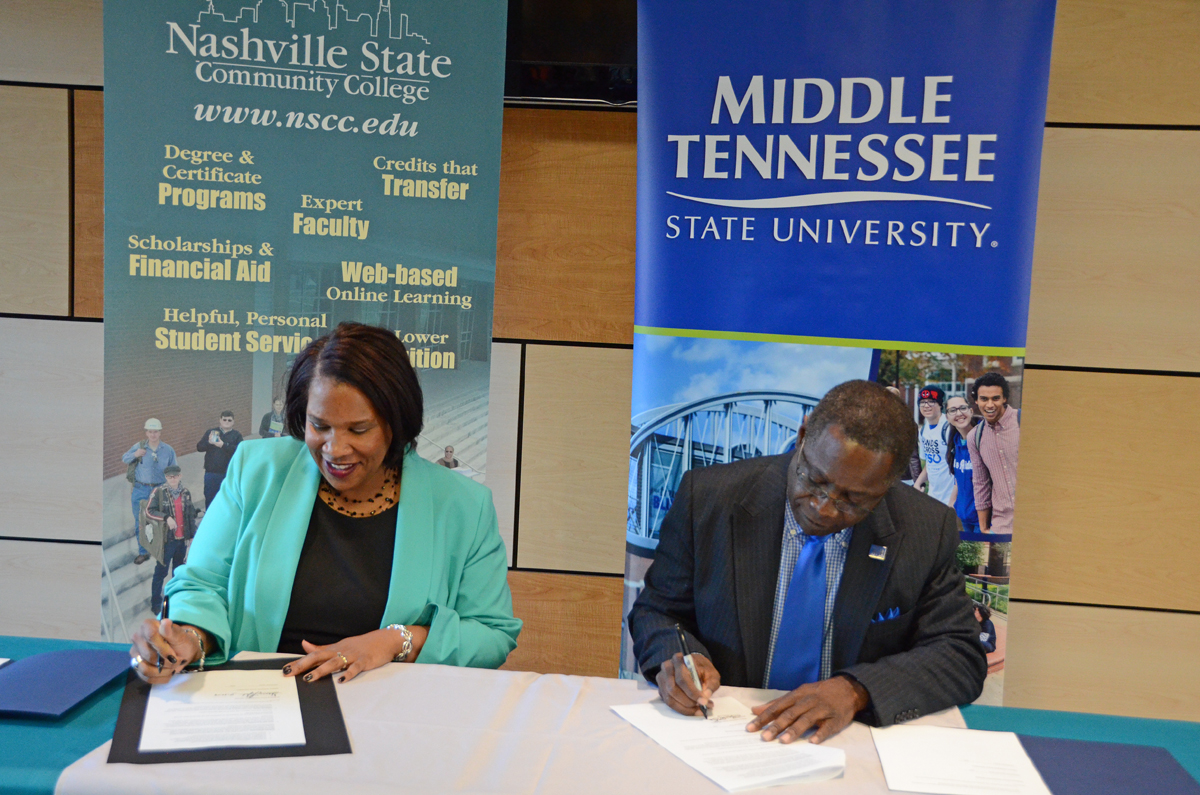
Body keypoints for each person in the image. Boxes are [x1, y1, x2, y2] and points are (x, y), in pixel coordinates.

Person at [128, 322, 521, 688]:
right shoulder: (257, 469)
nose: (335, 449)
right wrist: (190, 638)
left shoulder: (463, 506)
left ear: (396, 422)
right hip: (264, 703)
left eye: (359, 429)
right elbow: (202, 582)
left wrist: (395, 641)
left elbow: (492, 635)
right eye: (320, 425)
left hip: (390, 713)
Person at [628, 380, 985, 744]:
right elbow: (657, 612)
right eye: (814, 480)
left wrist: (856, 690)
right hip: (726, 731)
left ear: (888, 486)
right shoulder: (708, 498)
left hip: (843, 741)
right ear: (802, 437)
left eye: (853, 500)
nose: (823, 508)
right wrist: (680, 658)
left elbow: (959, 655)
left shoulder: (926, 528)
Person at [966, 372, 1019, 535]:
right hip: (1001, 526)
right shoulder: (975, 436)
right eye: (984, 399)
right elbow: (980, 482)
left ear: (1004, 398)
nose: (990, 405)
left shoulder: (1023, 422)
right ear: (976, 401)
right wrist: (983, 527)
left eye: (995, 398)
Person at [145, 465, 203, 615]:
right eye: (170, 477)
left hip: (181, 540)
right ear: (166, 477)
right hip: (167, 541)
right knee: (160, 573)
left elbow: (190, 516)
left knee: (178, 572)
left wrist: (191, 536)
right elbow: (149, 511)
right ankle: (156, 602)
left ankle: (176, 599)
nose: (173, 479)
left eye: (175, 476)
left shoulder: (186, 493)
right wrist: (166, 517)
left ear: (180, 476)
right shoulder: (159, 492)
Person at [121, 418, 178, 565]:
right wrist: (135, 454)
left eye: (156, 432)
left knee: (161, 520)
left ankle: (161, 549)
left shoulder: (168, 450)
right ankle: (143, 552)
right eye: (150, 432)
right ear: (146, 432)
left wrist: (174, 490)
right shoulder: (139, 447)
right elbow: (124, 458)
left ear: (160, 432)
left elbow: (174, 471)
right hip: (140, 489)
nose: (153, 435)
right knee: (140, 520)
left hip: (159, 489)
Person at [912, 386, 955, 507]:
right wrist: (918, 483)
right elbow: (929, 464)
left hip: (951, 499)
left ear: (940, 404)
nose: (926, 406)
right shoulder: (923, 430)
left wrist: (953, 500)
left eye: (931, 401)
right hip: (933, 497)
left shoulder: (949, 428)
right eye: (922, 402)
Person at [945, 395, 980, 534]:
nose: (959, 413)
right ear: (947, 417)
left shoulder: (983, 440)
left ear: (971, 411)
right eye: (952, 410)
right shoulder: (956, 443)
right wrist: (951, 504)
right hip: (964, 516)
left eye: (963, 408)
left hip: (983, 519)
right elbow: (958, 479)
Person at [196, 410, 243, 509]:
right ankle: (210, 517)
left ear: (233, 422)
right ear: (220, 420)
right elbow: (199, 447)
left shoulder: (237, 435)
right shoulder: (211, 432)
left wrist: (223, 445)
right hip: (211, 473)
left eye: (229, 420)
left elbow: (239, 451)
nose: (226, 422)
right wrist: (209, 443)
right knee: (210, 498)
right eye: (224, 420)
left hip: (228, 474)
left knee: (228, 499)